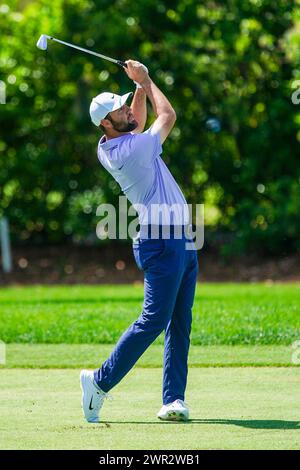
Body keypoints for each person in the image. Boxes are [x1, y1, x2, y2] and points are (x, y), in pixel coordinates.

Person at [80, 60, 198, 423]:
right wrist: (147, 79)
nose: (126, 110)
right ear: (105, 123)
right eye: (119, 109)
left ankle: (173, 400)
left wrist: (140, 89)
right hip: (161, 241)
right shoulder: (129, 151)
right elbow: (168, 116)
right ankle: (98, 382)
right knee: (153, 320)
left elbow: (138, 120)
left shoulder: (121, 141)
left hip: (181, 239)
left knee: (179, 320)